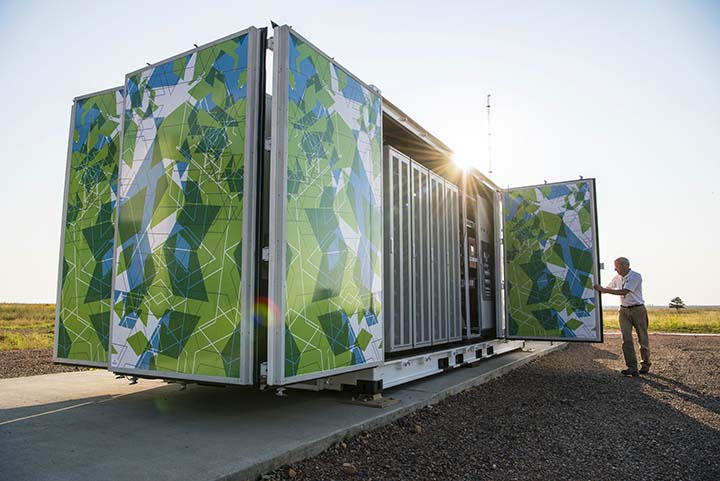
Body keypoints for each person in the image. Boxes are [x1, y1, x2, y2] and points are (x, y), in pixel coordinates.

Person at [594, 257, 650, 377]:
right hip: (624, 311)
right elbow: (608, 288)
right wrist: (597, 288)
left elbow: (625, 291)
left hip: (638, 309)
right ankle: (632, 367)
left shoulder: (636, 276)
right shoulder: (617, 278)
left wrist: (605, 290)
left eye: (617, 266)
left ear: (625, 265)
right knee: (626, 339)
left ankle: (645, 364)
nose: (615, 269)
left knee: (643, 339)